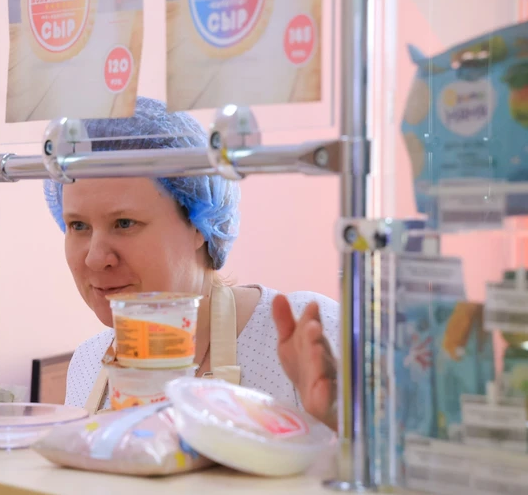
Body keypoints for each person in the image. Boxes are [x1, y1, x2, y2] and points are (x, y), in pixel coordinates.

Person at [43, 97, 340, 430]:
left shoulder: (310, 336)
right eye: (78, 226)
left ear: (199, 224)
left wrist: (337, 421)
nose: (95, 258)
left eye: (124, 223)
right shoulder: (87, 364)